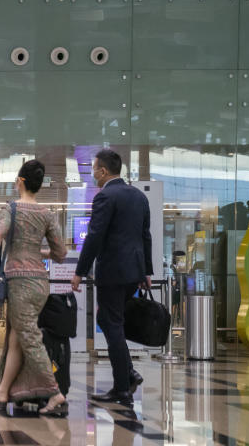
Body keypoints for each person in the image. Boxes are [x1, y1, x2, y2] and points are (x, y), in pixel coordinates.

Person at [0, 160, 68, 416]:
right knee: (16, 337)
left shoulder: (13, 209)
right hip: (40, 282)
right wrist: (38, 250)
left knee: (30, 339)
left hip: (20, 284)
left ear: (21, 182)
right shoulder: (47, 214)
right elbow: (61, 253)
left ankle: (55, 392)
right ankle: (3, 390)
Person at [71, 149, 152, 406]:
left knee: (112, 323)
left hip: (113, 272)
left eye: (94, 169)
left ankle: (122, 386)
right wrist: (146, 271)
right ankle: (128, 372)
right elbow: (145, 236)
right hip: (133, 272)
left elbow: (94, 237)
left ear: (103, 171)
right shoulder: (138, 196)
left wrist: (79, 271)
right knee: (108, 320)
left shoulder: (105, 196)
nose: (93, 173)